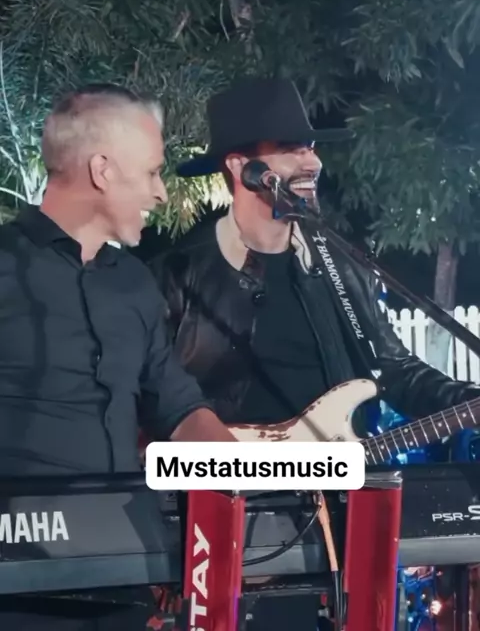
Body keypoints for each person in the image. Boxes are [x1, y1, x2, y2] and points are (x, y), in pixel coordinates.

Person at [0, 83, 234, 630]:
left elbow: (177, 406)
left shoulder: (133, 282)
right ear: (102, 170)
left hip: (126, 567)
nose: (160, 192)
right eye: (151, 172)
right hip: (18, 582)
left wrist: (262, 478)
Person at [148, 76, 480, 439]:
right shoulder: (177, 274)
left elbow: (395, 370)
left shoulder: (343, 263)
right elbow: (148, 396)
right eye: (292, 149)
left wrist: (468, 399)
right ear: (241, 166)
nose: (313, 162)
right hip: (229, 474)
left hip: (341, 470)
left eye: (310, 147)